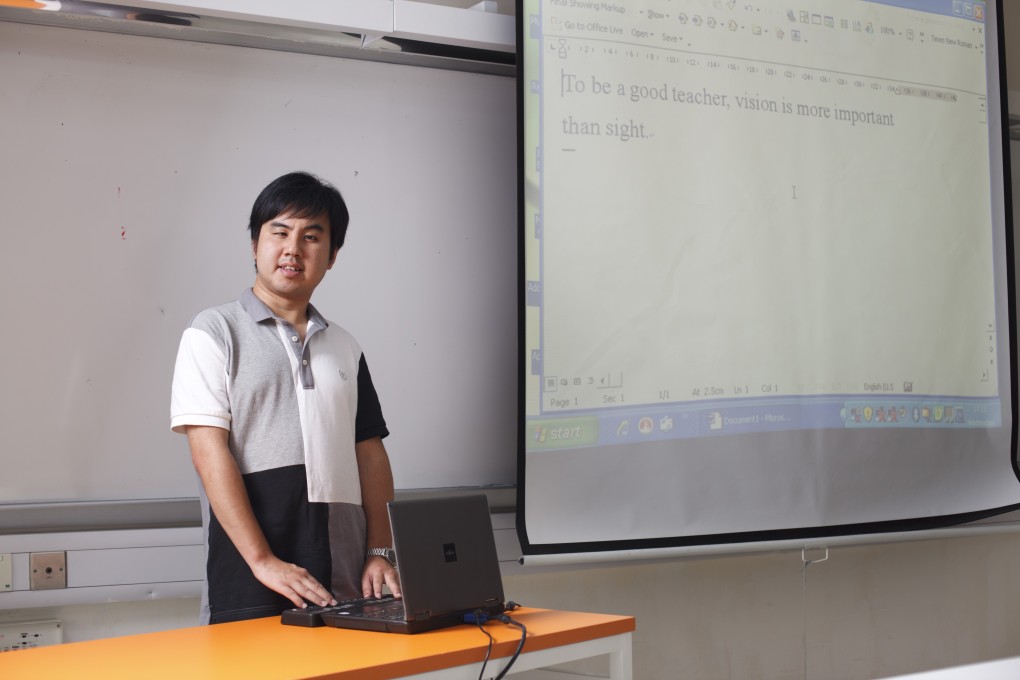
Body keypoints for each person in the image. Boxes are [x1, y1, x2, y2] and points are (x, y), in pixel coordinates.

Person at [170, 171, 400, 624]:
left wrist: (380, 551)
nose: (293, 249)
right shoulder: (213, 332)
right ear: (255, 244)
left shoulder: (345, 346)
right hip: (250, 572)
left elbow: (370, 453)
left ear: (332, 256)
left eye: (312, 237)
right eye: (280, 232)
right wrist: (261, 560)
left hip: (346, 574)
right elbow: (207, 451)